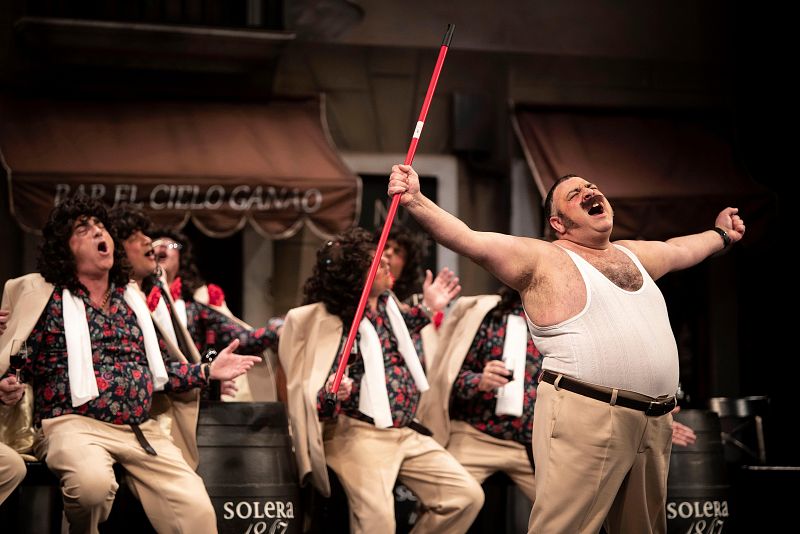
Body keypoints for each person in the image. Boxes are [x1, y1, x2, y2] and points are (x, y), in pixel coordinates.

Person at [388, 165, 745, 534]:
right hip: (588, 413)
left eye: (591, 186)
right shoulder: (543, 259)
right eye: (575, 195)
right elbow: (470, 238)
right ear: (558, 223)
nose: (590, 192)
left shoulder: (633, 254)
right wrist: (415, 200)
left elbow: (679, 249)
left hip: (654, 422)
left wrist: (721, 234)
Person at [0, 196, 259, 533]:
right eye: (84, 229)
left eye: (100, 226)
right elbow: (20, 357)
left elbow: (161, 373)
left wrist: (209, 370)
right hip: (73, 425)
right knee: (91, 487)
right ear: (65, 248)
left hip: (141, 430)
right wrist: (10, 381)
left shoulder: (131, 299)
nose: (97, 232)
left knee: (197, 512)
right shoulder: (48, 299)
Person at [279, 227, 483, 533]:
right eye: (376, 262)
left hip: (406, 432)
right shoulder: (335, 326)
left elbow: (405, 328)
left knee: (464, 497)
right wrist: (335, 390)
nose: (387, 263)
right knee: (378, 525)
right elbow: (315, 400)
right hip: (359, 436)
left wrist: (428, 308)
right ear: (355, 276)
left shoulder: (390, 309)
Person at [419, 285, 540, 506]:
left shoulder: (558, 325)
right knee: (446, 502)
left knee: (569, 511)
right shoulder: (489, 316)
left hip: (533, 442)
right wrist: (480, 381)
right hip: (476, 435)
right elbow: (450, 378)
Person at [151, 227, 283, 401]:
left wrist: (276, 329)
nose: (162, 247)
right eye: (156, 243)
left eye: (172, 244)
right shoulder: (134, 296)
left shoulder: (194, 307)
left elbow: (241, 339)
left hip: (186, 397)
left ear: (182, 258)